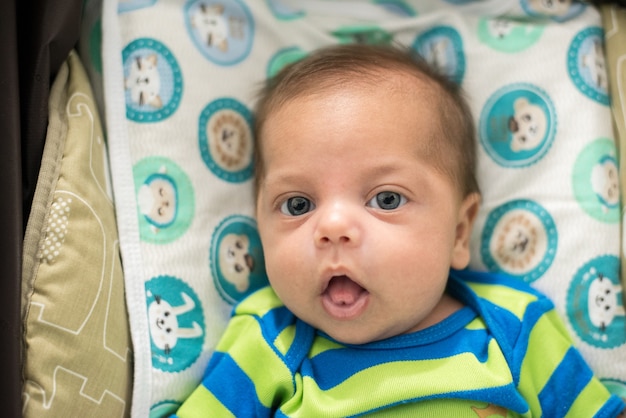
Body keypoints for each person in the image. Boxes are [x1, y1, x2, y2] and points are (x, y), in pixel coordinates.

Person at [175, 44, 625, 417]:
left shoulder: (513, 322)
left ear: (459, 233)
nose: (332, 227)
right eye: (297, 205)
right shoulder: (268, 337)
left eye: (386, 199)